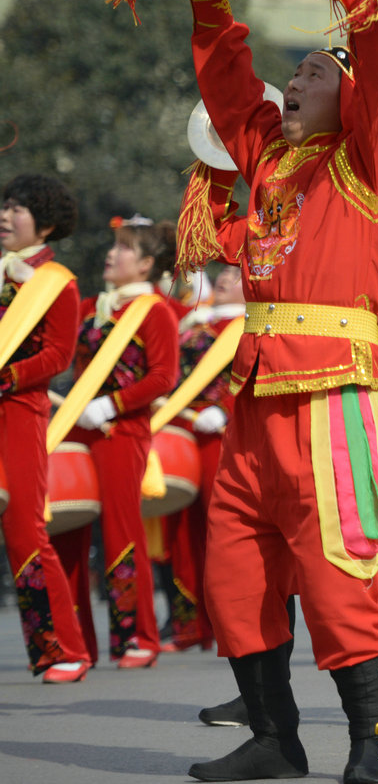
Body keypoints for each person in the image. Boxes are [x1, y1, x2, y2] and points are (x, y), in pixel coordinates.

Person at [186, 0, 378, 782]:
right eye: (292, 76)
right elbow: (225, 90)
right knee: (235, 571)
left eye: (314, 75)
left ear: (354, 100)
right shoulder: (270, 158)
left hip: (332, 398)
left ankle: (369, 742)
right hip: (254, 393)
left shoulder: (369, 164)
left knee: (338, 571)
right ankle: (274, 737)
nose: (292, 85)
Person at [56, 218, 181, 671]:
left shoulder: (156, 310)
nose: (112, 254)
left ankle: (138, 636)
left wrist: (113, 406)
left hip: (120, 432)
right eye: (112, 246)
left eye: (123, 249)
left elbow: (164, 376)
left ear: (147, 263)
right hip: (76, 427)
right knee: (66, 526)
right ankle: (75, 642)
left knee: (120, 533)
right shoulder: (92, 306)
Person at [0, 174, 93, 682]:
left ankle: (64, 649)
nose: (5, 215)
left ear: (46, 223)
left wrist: (7, 376)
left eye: (17, 209)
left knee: (23, 529)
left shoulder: (56, 280)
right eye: (5, 206)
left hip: (18, 409)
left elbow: (57, 354)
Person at [163, 264, 248, 653]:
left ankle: (226, 624)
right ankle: (187, 624)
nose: (228, 278)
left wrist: (227, 408)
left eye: (239, 275)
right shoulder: (194, 322)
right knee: (180, 527)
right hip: (183, 427)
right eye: (225, 273)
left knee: (219, 528)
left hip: (222, 431)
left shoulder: (250, 327)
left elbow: (254, 377)